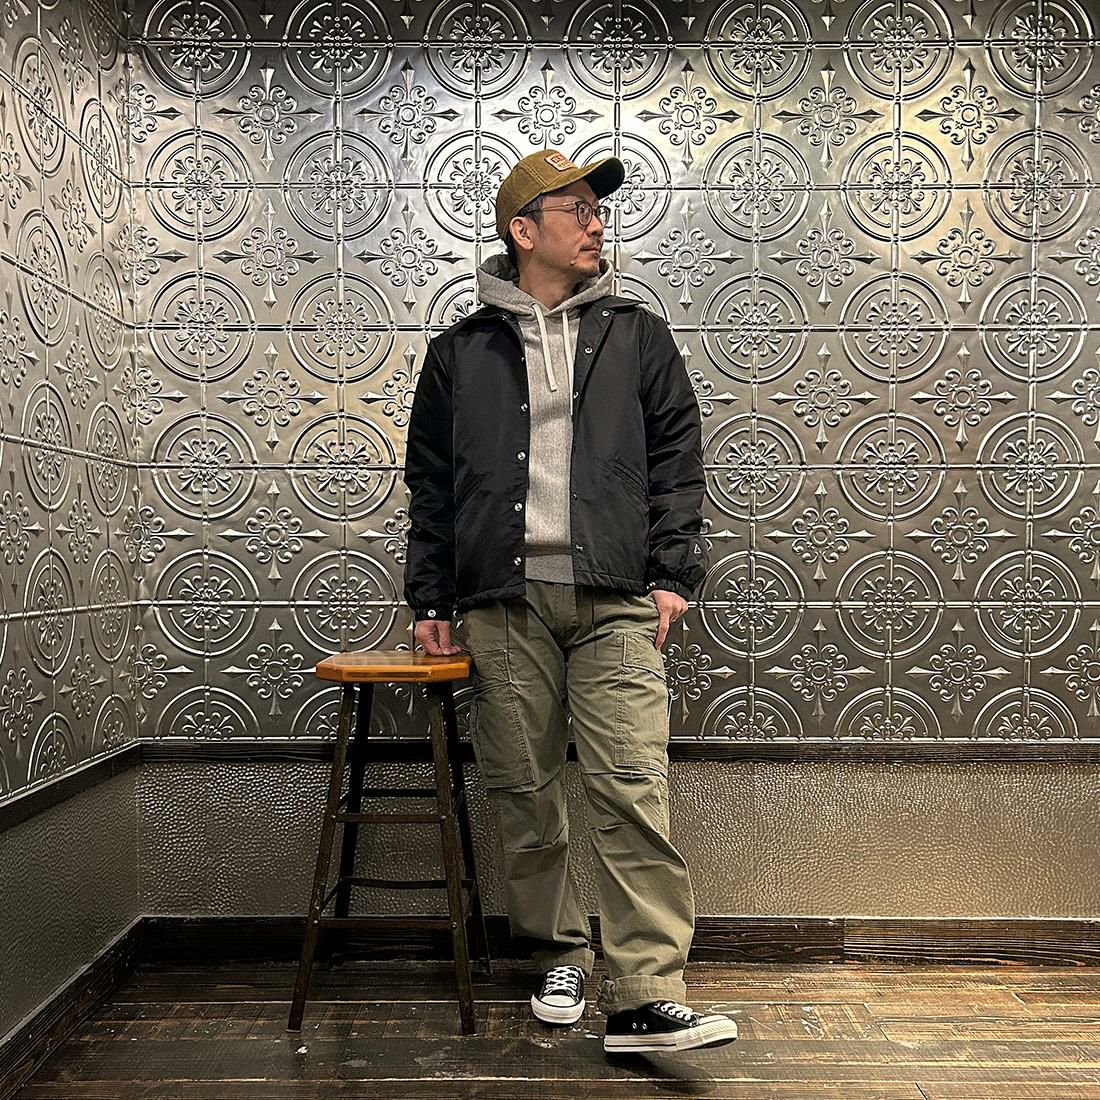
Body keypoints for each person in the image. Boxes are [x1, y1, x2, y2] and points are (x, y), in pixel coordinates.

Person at [402, 148, 737, 1054]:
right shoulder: (459, 353)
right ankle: (559, 954)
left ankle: (644, 994)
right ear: (524, 230)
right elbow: (430, 484)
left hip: (615, 598)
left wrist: (672, 575)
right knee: (525, 790)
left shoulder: (638, 335)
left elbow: (678, 461)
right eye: (578, 209)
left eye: (598, 210)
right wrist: (430, 593)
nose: (597, 224)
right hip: (502, 602)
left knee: (631, 786)